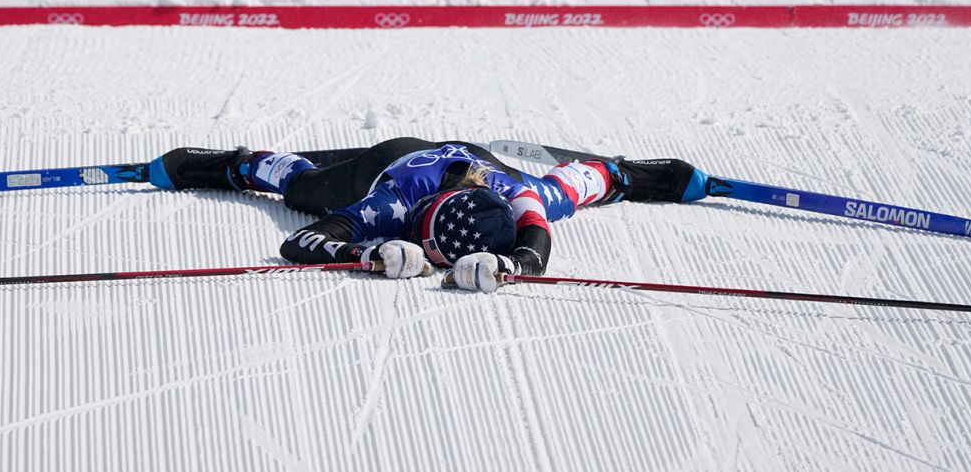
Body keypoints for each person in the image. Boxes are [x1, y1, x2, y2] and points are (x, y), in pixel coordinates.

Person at [148, 138, 707, 293]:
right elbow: (303, 242)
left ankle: (648, 174)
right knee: (305, 188)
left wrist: (512, 266)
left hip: (480, 164)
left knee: (570, 191)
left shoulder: (522, 197)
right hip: (391, 160)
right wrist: (364, 248)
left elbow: (582, 187)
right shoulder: (395, 203)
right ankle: (235, 165)